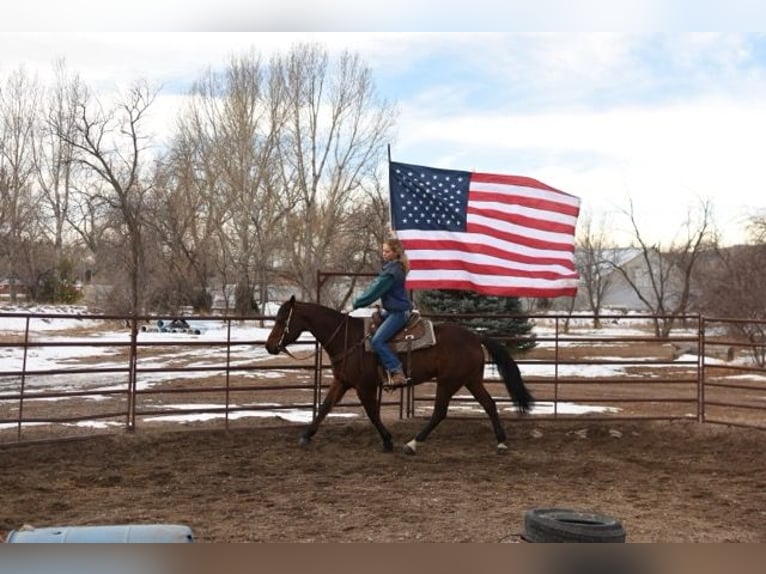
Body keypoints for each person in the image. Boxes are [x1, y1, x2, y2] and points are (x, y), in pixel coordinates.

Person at [353, 237, 412, 386]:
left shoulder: (392, 271)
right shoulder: (394, 268)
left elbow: (375, 290)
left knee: (377, 341)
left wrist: (358, 303)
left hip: (398, 312)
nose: (383, 253)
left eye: (387, 251)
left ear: (395, 253)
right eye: (383, 250)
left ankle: (397, 371)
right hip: (393, 310)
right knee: (372, 328)